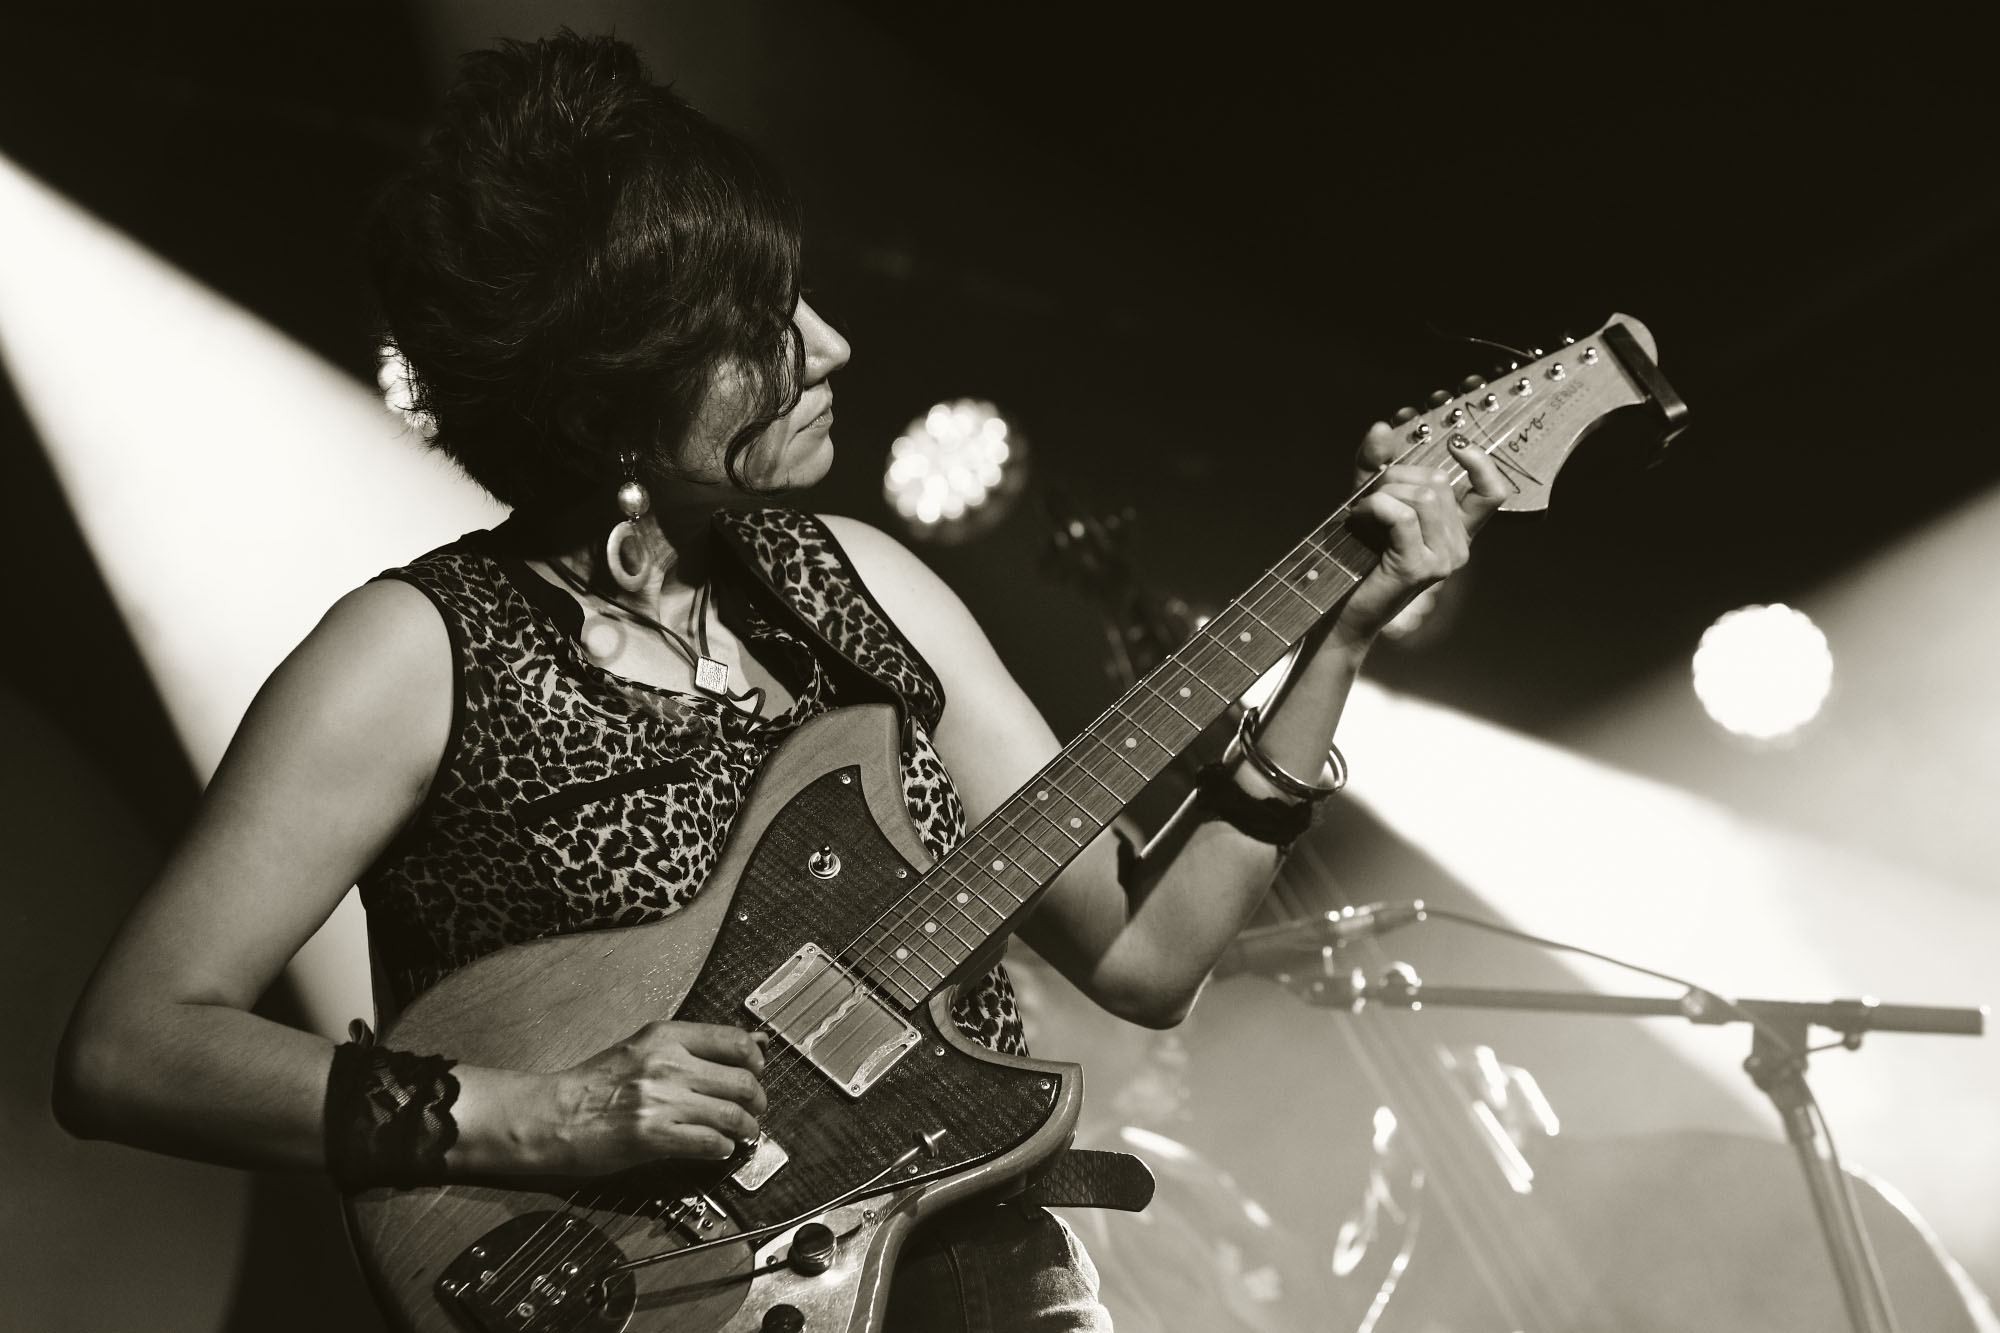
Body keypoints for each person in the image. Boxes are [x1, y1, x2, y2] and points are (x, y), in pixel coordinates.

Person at [52, 30, 1506, 1331]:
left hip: (984, 1272)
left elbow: (1145, 958)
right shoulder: (418, 650)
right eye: (760, 328)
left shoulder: (862, 585)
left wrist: (1341, 635)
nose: (830, 346)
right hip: (641, 1295)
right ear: (615, 387)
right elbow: (131, 1046)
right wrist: (544, 1113)